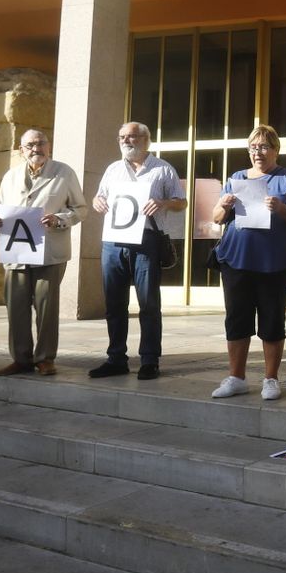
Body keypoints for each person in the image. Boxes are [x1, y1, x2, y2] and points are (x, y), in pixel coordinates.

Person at [209, 125, 286, 400]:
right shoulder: (237, 178)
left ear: (275, 150)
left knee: (272, 321)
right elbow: (216, 218)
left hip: (275, 263)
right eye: (253, 147)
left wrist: (282, 208)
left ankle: (271, 379)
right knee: (236, 319)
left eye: (263, 147)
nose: (258, 152)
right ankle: (236, 377)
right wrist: (225, 205)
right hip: (236, 261)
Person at [89, 121, 186, 381]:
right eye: (121, 137)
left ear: (145, 140)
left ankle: (149, 359)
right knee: (114, 303)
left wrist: (163, 202)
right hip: (113, 241)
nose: (125, 141)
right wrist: (97, 202)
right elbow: (99, 197)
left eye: (131, 137)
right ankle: (116, 358)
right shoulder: (112, 169)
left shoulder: (162, 169)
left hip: (146, 240)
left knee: (148, 303)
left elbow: (181, 202)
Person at [0, 129, 86, 376]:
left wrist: (59, 219)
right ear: (21, 150)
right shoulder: (10, 176)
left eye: (41, 143)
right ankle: (21, 358)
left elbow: (81, 209)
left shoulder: (64, 173)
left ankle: (44, 358)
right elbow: (0, 209)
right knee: (16, 306)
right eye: (30, 145)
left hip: (49, 252)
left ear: (49, 146)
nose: (36, 148)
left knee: (46, 305)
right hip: (16, 252)